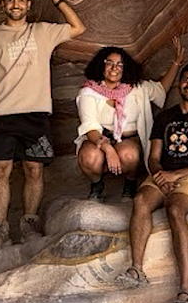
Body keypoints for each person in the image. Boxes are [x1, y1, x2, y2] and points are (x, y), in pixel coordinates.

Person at [0, 0, 86, 248]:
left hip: (36, 113)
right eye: (10, 0)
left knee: (34, 169)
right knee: (0, 170)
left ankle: (29, 226)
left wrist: (58, 1)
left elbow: (78, 27)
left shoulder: (42, 32)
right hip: (2, 113)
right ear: (3, 5)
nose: (16, 5)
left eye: (21, 0)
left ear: (29, 4)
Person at [120, 63, 188, 303]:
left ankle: (186, 289)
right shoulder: (165, 117)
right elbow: (153, 156)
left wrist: (175, 175)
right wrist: (159, 174)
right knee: (140, 201)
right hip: (162, 175)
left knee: (175, 209)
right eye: (186, 80)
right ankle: (136, 269)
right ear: (179, 84)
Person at [74, 38, 182, 201]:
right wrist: (108, 149)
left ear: (125, 68)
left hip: (128, 139)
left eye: (119, 64)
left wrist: (176, 63)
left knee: (129, 155)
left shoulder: (136, 88)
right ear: (101, 65)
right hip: (100, 138)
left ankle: (130, 183)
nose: (114, 68)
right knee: (89, 158)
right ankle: (97, 184)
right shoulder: (89, 92)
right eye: (109, 63)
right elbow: (90, 126)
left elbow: (161, 90)